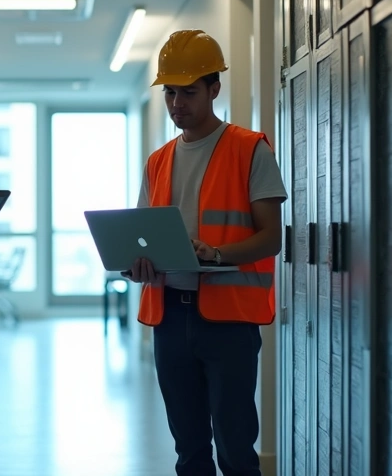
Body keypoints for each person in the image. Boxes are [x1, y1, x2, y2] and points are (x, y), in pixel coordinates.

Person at [125, 30, 287, 476]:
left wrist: (215, 254)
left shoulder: (249, 148)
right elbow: (144, 236)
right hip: (169, 319)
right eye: (170, 92)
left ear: (214, 90)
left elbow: (271, 237)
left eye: (189, 92)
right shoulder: (157, 160)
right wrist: (138, 266)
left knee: (235, 448)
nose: (177, 103)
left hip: (228, 322)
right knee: (190, 451)